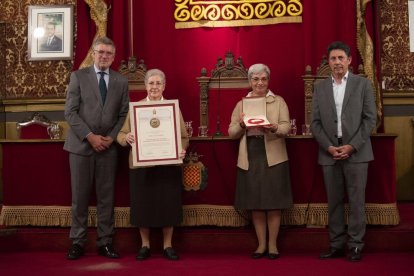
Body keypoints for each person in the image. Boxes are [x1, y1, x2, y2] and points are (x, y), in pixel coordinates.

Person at [64, 36, 129, 260]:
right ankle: (78, 242)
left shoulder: (121, 81)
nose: (104, 56)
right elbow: (70, 113)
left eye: (108, 54)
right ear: (93, 53)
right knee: (80, 197)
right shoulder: (78, 77)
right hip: (81, 146)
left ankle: (105, 242)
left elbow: (123, 114)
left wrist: (111, 138)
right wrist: (90, 136)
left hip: (108, 149)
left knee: (106, 198)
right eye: (100, 52)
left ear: (113, 57)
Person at [311, 41, 377, 262]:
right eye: (333, 58)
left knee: (357, 201)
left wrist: (351, 146)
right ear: (328, 62)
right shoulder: (319, 88)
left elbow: (370, 120)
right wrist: (329, 147)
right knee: (334, 201)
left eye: (341, 58)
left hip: (357, 152)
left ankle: (356, 245)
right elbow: (315, 123)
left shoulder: (363, 85)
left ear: (349, 60)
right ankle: (337, 244)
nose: (337, 62)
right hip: (329, 151)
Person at [117, 69, 189, 261]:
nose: (155, 87)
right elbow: (121, 135)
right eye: (151, 83)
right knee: (143, 205)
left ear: (164, 86)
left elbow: (183, 136)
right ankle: (145, 245)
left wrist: (181, 149)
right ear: (145, 86)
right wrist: (128, 137)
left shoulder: (172, 108)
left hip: (168, 165)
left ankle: (168, 245)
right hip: (141, 166)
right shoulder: (135, 109)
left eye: (158, 83)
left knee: (168, 205)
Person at [228, 63, 293, 260]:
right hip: (250, 154)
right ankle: (261, 245)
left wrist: (273, 127)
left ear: (268, 81)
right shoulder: (241, 104)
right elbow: (231, 133)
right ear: (250, 81)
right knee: (255, 203)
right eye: (255, 79)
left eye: (264, 79)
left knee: (273, 203)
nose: (260, 83)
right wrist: (240, 124)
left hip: (273, 155)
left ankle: (273, 245)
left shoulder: (278, 101)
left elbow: (286, 128)